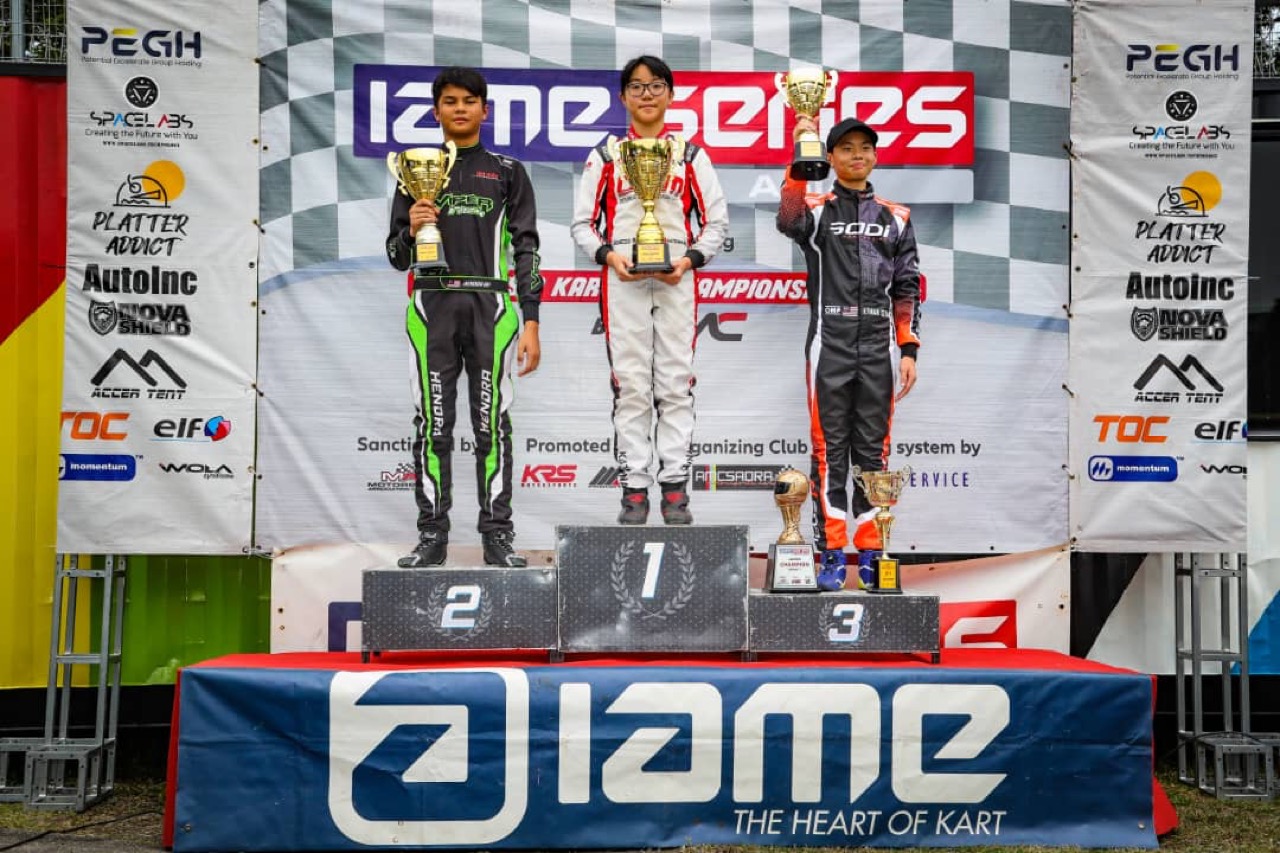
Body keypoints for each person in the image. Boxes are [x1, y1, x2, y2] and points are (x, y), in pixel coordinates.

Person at [386, 66, 543, 568]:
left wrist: (532, 320)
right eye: (450, 101)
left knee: (490, 425)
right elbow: (395, 256)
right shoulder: (413, 169)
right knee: (434, 424)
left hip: (491, 308)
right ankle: (432, 536)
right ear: (436, 111)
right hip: (430, 306)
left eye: (469, 101)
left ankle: (497, 537)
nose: (459, 108)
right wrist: (411, 230)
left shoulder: (507, 171)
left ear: (484, 109)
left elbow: (527, 248)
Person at [571, 55, 730, 526]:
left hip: (677, 276)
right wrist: (608, 256)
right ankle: (634, 489)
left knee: (676, 383)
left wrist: (690, 259)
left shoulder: (691, 155)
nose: (646, 94)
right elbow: (582, 225)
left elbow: (716, 223)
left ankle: (675, 488)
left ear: (671, 94)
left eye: (656, 85)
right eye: (637, 86)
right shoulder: (606, 156)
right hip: (623, 277)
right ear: (623, 96)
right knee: (631, 386)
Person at [775, 115, 922, 590]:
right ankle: (833, 555)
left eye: (865, 148)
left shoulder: (897, 217)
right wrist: (800, 155)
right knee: (829, 451)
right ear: (832, 157)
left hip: (879, 345)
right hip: (830, 342)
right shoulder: (817, 211)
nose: (857, 155)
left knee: (874, 454)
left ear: (875, 156)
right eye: (846, 148)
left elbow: (907, 286)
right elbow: (787, 219)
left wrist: (908, 348)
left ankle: (873, 554)